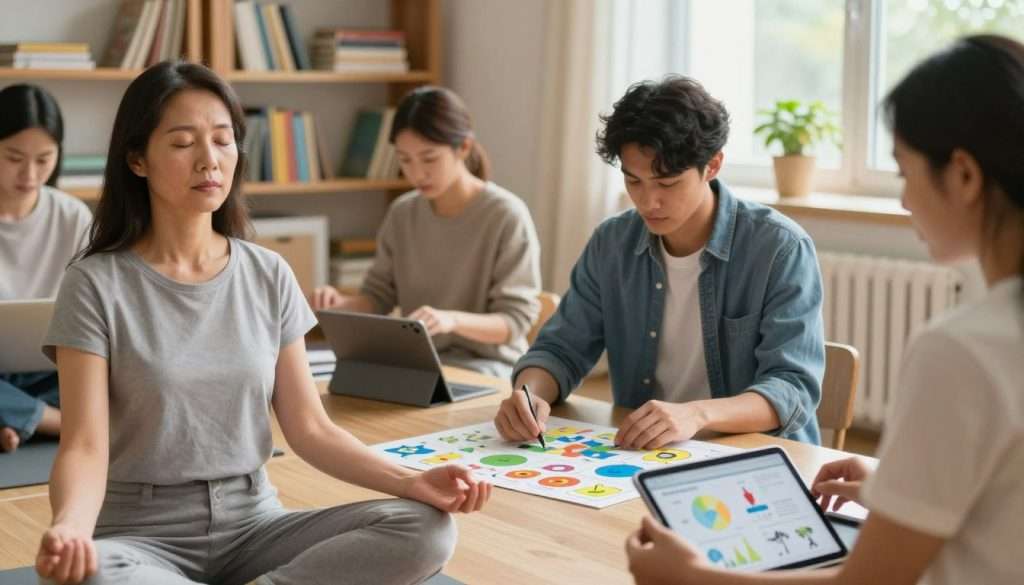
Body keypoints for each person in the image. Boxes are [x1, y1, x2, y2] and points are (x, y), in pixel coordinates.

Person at [35, 62, 491, 585]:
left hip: (254, 526)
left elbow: (311, 428)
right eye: (183, 143)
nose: (209, 160)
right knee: (91, 573)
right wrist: (70, 527)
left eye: (222, 140)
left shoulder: (268, 272)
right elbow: (84, 446)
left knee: (426, 529)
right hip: (139, 535)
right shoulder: (94, 283)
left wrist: (412, 481)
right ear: (137, 159)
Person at [625, 34, 1024, 585]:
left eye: (904, 173)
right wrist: (895, 488)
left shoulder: (962, 349)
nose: (904, 199)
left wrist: (694, 577)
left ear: (964, 176)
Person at [495, 75, 825, 449]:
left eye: (667, 183)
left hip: (753, 455)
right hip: (647, 453)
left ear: (713, 165)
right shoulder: (612, 243)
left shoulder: (780, 248)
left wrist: (696, 415)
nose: (648, 201)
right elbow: (560, 349)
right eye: (634, 181)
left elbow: (792, 387)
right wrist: (529, 395)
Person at [309, 86, 542, 379]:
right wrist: (339, 304)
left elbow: (515, 322)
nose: (417, 173)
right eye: (405, 160)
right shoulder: (402, 213)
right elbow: (377, 297)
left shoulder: (506, 215)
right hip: (419, 366)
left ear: (464, 147)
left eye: (429, 158)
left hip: (488, 369)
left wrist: (451, 321)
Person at [0, 83, 91, 453]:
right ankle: (56, 423)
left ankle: (16, 419)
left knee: (121, 371)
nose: (29, 174)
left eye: (43, 159)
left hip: (52, 370)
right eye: (14, 157)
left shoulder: (72, 216)